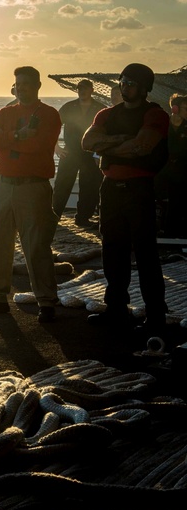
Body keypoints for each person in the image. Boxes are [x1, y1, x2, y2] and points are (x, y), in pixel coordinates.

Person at [82, 63, 170, 334]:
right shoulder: (107, 114)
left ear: (145, 87)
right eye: (122, 80)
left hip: (138, 188)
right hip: (110, 187)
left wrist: (108, 146)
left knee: (145, 253)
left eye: (131, 82)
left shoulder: (155, 114)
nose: (125, 85)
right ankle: (116, 309)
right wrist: (123, 141)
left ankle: (155, 317)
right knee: (113, 249)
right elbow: (87, 143)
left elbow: (142, 147)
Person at [0, 66, 62, 323]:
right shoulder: (4, 112)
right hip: (3, 185)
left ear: (36, 86)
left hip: (33, 186)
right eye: (18, 83)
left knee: (36, 244)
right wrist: (17, 136)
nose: (21, 87)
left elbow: (39, 145)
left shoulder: (49, 114)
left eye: (26, 83)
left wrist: (6, 138)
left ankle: (46, 301)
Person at [52, 79, 106, 227]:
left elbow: (105, 133)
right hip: (70, 152)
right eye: (80, 88)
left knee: (89, 186)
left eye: (85, 88)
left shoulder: (100, 108)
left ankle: (83, 218)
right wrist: (56, 147)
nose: (82, 91)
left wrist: (98, 154)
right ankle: (54, 216)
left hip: (91, 153)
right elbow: (54, 127)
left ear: (92, 90)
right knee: (62, 184)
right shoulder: (68, 107)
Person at [155, 93, 187, 238]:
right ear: (175, 109)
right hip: (167, 171)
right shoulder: (164, 125)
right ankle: (169, 230)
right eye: (185, 108)